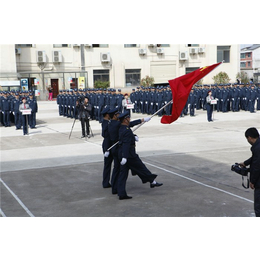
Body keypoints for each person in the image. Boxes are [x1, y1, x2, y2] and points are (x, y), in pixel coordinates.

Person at [117, 111, 163, 200]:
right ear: (125, 120)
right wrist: (125, 157)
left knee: (123, 175)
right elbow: (126, 144)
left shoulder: (122, 127)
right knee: (141, 168)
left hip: (123, 154)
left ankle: (121, 193)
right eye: (128, 118)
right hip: (129, 155)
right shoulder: (126, 130)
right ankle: (152, 181)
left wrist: (142, 120)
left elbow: (132, 124)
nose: (129, 119)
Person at [239, 127, 260, 217]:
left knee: (258, 207)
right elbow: (255, 158)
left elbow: (256, 167)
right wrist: (245, 163)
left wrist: (252, 181)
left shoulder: (257, 147)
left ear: (250, 137)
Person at [101, 107, 113, 188]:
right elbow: (105, 136)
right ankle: (105, 182)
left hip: (111, 146)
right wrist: (107, 149)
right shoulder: (105, 123)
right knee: (107, 165)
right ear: (107, 115)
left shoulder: (108, 122)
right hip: (108, 147)